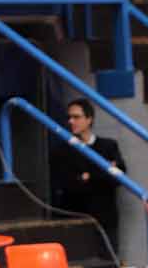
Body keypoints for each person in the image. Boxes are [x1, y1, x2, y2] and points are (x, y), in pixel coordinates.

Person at [50, 98, 127, 259]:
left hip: (105, 218)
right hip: (76, 218)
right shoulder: (62, 151)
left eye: (76, 117)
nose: (71, 121)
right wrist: (103, 170)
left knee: (108, 262)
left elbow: (118, 177)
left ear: (89, 119)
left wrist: (88, 176)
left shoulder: (108, 146)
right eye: (69, 117)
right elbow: (68, 184)